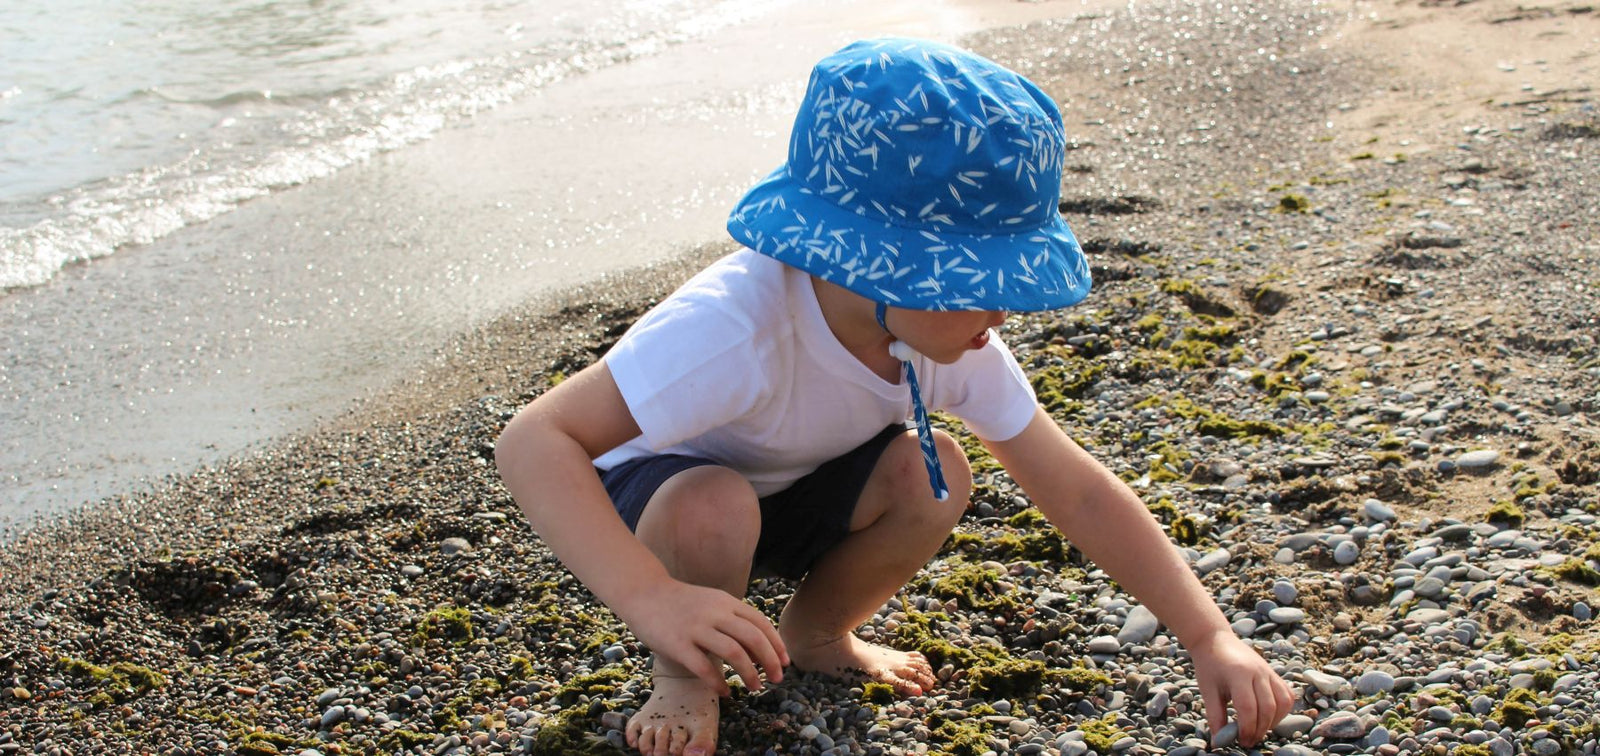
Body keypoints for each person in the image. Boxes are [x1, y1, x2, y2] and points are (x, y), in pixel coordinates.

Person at [495, 37, 1293, 756]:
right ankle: (683, 674)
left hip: (793, 492)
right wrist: (650, 597)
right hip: (664, 509)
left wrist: (1207, 633)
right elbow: (534, 441)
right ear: (877, 265)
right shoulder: (732, 331)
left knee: (933, 466)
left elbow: (1076, 490)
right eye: (978, 283)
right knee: (713, 502)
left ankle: (817, 632)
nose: (1002, 309)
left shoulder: (950, 340)